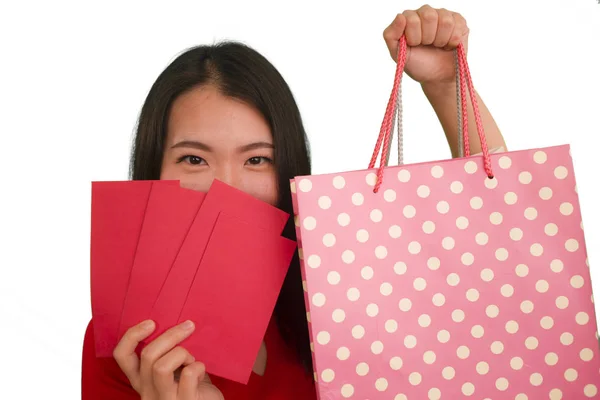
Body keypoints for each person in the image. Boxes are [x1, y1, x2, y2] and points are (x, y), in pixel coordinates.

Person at [82, 5, 507, 399]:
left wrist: (446, 84)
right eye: (194, 158)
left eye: (257, 159)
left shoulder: (335, 281)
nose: (227, 189)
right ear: (154, 171)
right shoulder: (127, 343)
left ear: (288, 168)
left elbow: (485, 234)